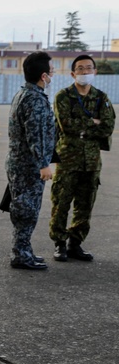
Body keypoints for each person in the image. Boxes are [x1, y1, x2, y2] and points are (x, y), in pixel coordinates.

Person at [49, 54, 115, 262]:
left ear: (95, 71)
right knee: (61, 202)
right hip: (68, 159)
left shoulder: (101, 97)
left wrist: (85, 127)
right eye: (80, 69)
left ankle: (75, 243)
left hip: (92, 162)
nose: (85, 72)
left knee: (85, 204)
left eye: (89, 68)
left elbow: (108, 126)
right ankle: (60, 243)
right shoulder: (63, 96)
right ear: (72, 73)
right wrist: (92, 123)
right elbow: (66, 126)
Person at [5, 52, 56, 270]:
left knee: (23, 208)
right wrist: (43, 164)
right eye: (52, 71)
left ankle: (24, 250)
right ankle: (21, 254)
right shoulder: (35, 99)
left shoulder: (24, 94)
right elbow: (36, 135)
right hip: (28, 166)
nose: (53, 75)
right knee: (27, 210)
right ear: (44, 76)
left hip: (20, 163)